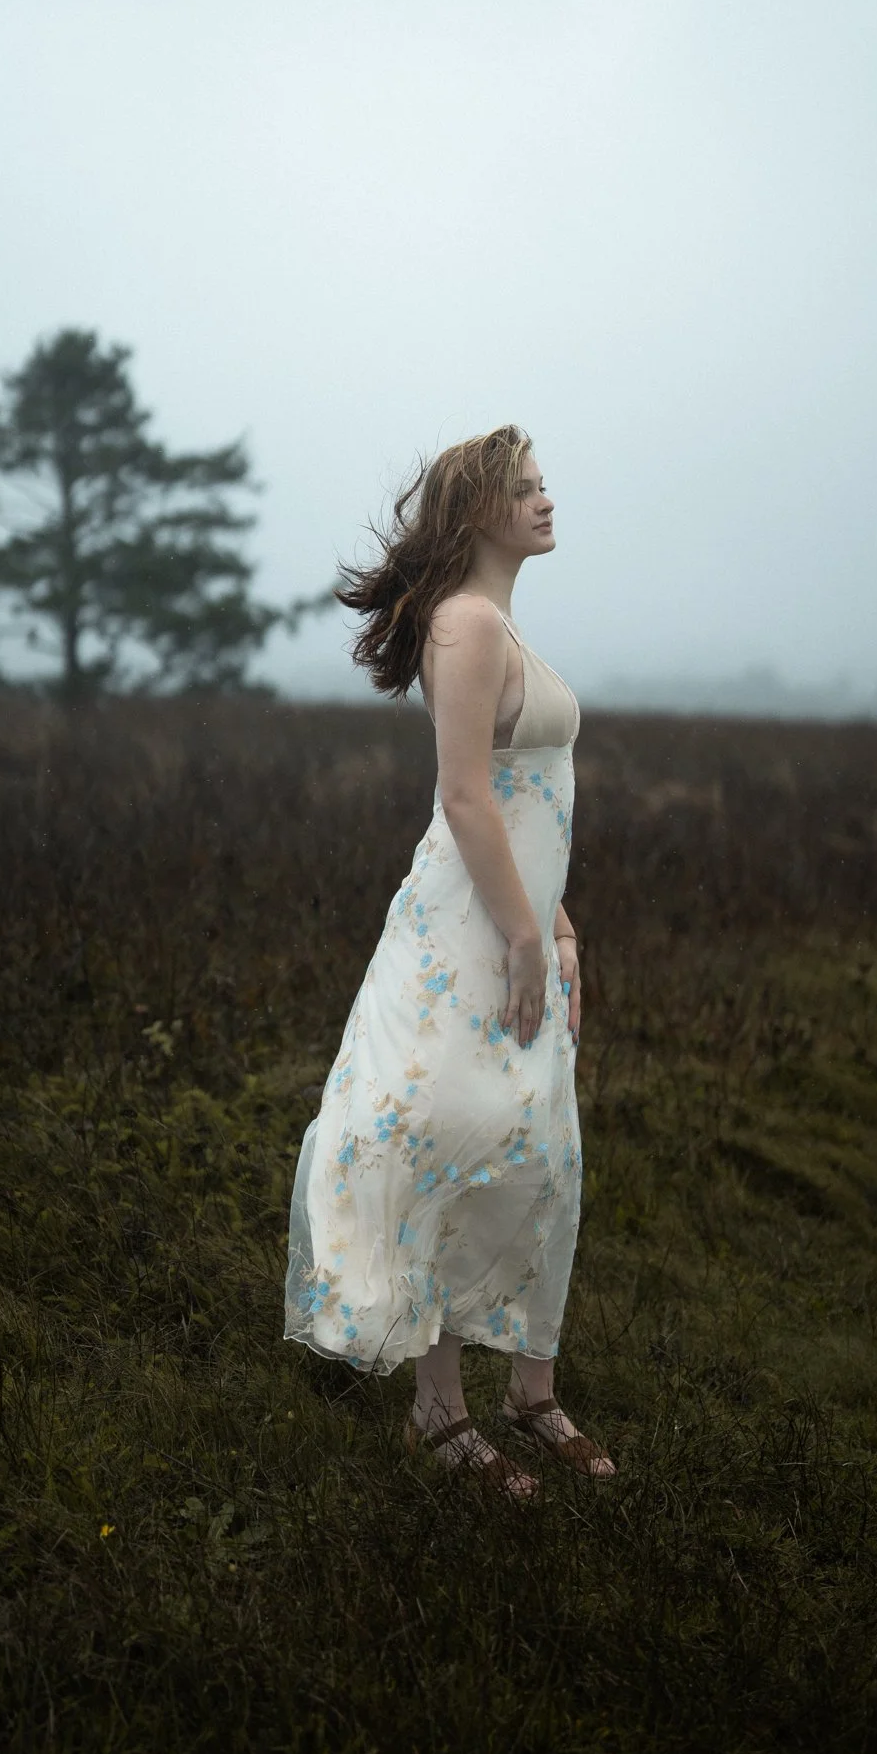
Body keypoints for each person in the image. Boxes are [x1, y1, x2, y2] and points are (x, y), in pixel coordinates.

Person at [284, 423, 614, 1502]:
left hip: (518, 919)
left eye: (543, 482)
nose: (547, 498)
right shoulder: (467, 624)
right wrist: (525, 935)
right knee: (451, 1143)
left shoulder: (498, 620)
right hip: (464, 937)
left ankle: (533, 1387)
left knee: (541, 1149)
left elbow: (530, 805)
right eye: (525, 488)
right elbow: (468, 795)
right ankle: (441, 1411)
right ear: (476, 513)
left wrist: (557, 926)